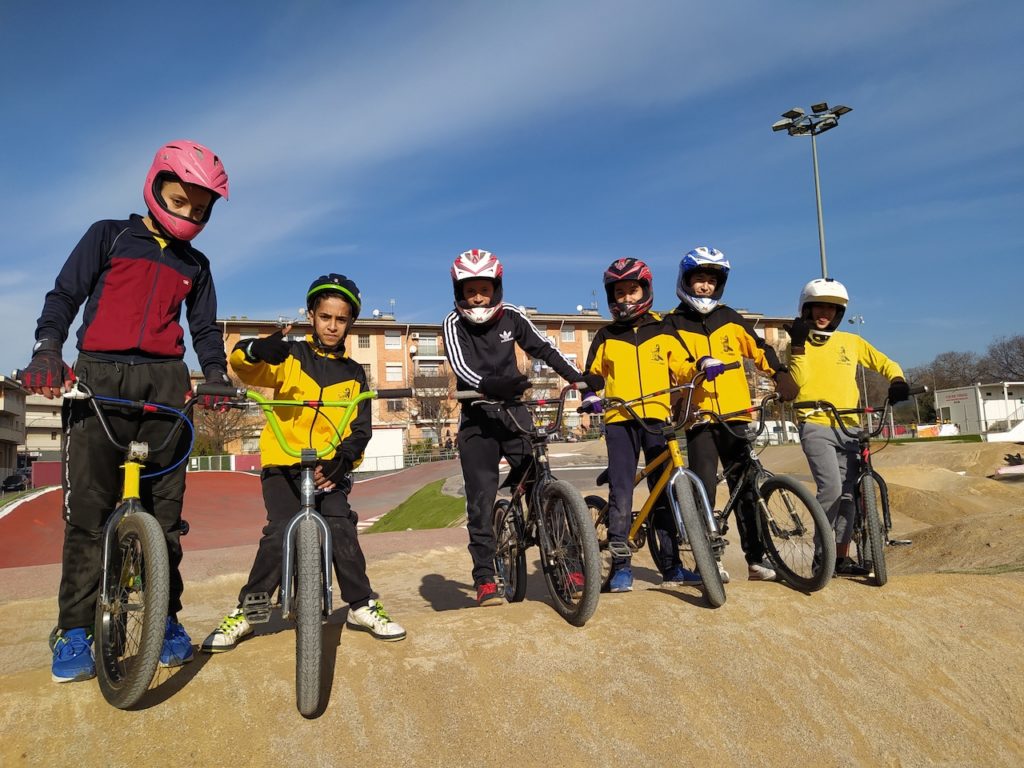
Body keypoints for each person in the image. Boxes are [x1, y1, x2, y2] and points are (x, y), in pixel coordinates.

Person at [20, 140, 231, 683]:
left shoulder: (196, 264)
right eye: (179, 202)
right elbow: (65, 295)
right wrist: (47, 350)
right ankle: (74, 629)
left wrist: (216, 374)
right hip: (100, 376)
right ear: (156, 186)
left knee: (165, 522)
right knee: (88, 516)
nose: (188, 216)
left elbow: (205, 329)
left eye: (200, 210)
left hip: (166, 384)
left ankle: (166, 618)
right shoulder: (109, 235)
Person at [201, 274, 406, 651]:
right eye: (325, 316)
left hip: (328, 466)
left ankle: (361, 604)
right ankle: (247, 610)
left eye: (341, 319)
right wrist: (257, 349)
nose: (332, 326)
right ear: (311, 315)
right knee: (280, 530)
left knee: (340, 525)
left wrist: (344, 459)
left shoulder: (354, 373)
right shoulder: (290, 356)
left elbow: (360, 428)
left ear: (351, 322)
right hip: (283, 462)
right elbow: (242, 366)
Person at [442, 248, 603, 606]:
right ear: (459, 292)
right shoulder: (453, 323)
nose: (478, 297)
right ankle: (485, 577)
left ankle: (568, 562)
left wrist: (579, 381)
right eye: (471, 291)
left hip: (514, 412)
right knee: (481, 500)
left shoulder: (512, 316)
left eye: (484, 289)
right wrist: (489, 385)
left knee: (541, 482)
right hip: (477, 417)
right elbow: (460, 366)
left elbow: (545, 349)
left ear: (496, 288)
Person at [665, 247, 800, 583]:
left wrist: (780, 373)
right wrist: (696, 367)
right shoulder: (671, 322)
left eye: (712, 281)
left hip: (736, 414)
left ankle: (756, 559)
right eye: (699, 279)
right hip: (700, 417)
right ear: (686, 281)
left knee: (746, 488)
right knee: (704, 488)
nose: (705, 286)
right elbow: (672, 361)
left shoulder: (731, 318)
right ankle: (708, 559)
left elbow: (759, 348)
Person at [580, 258, 699, 593]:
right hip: (620, 420)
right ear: (611, 297)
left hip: (657, 418)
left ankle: (672, 566)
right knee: (622, 491)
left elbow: (684, 366)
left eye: (632, 290)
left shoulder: (663, 329)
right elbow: (592, 374)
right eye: (619, 292)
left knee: (663, 491)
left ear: (645, 290)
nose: (626, 298)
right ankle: (621, 567)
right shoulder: (605, 335)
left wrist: (703, 364)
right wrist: (589, 394)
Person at [786, 278, 910, 576]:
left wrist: (897, 380)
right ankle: (821, 556)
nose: (824, 314)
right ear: (806, 309)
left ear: (839, 313)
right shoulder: (797, 344)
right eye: (818, 307)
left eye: (831, 308)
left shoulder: (851, 342)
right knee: (830, 488)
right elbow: (797, 382)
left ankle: (841, 559)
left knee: (849, 494)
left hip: (850, 425)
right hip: (815, 423)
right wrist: (799, 346)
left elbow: (886, 363)